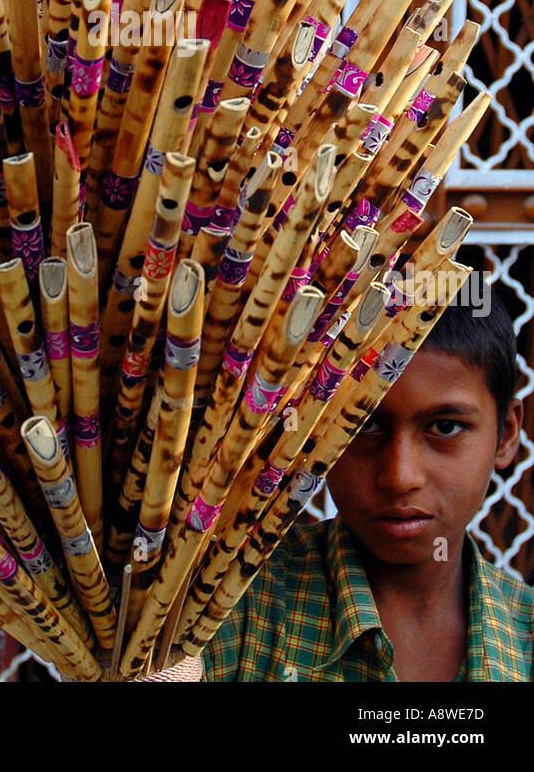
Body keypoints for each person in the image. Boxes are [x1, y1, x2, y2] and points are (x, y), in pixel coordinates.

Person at [199, 285, 534, 681]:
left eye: (445, 427)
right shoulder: (224, 612)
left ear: (507, 434)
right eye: (363, 424)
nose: (399, 476)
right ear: (318, 427)